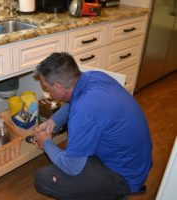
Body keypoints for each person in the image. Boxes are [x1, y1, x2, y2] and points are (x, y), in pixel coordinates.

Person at [32, 52, 152, 200]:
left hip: (125, 176)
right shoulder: (94, 77)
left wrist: (46, 143)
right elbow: (73, 101)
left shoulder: (84, 110)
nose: (48, 93)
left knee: (43, 178)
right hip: (136, 162)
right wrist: (54, 121)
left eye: (47, 88)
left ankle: (114, 195)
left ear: (58, 86)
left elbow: (72, 167)